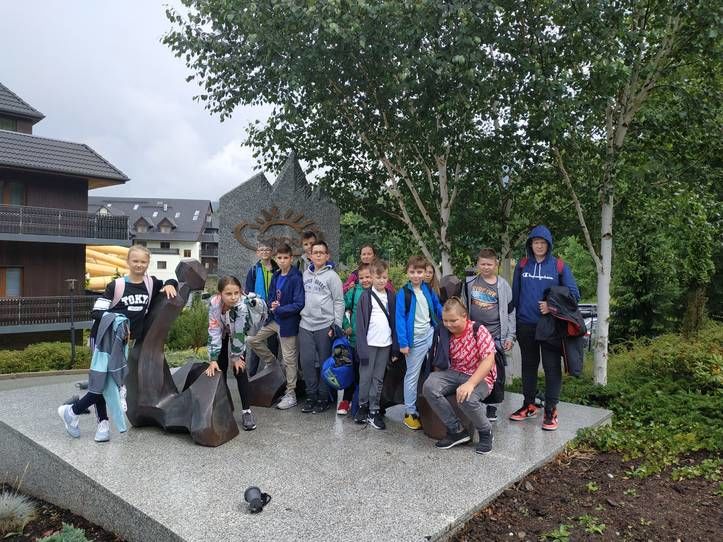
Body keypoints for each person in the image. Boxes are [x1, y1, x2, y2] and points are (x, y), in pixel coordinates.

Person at [57, 245, 177, 442]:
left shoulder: (151, 284)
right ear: (128, 262)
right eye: (135, 261)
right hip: (104, 338)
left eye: (143, 261)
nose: (139, 265)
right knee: (103, 381)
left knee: (107, 382)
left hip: (121, 343)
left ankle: (73, 412)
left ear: (148, 263)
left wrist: (171, 283)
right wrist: (119, 320)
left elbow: (169, 283)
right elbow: (96, 312)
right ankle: (99, 422)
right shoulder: (117, 286)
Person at [510, 225, 579, 431]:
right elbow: (514, 297)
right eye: (535, 242)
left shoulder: (559, 266)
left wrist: (551, 306)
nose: (539, 246)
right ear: (530, 245)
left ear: (548, 245)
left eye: (542, 243)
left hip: (550, 326)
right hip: (525, 324)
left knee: (551, 367)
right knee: (528, 366)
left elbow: (574, 295)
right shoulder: (522, 265)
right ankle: (529, 405)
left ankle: (550, 410)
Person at [422, 298, 497, 454]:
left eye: (453, 320)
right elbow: (439, 359)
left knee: (467, 398)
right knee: (429, 386)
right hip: (454, 372)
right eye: (445, 320)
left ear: (464, 316)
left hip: (480, 376)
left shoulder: (478, 330)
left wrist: (470, 384)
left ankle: (485, 431)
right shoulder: (443, 332)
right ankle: (457, 430)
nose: (448, 324)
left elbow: (488, 361)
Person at [246, 243, 305, 410]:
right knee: (252, 340)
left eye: (286, 257)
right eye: (279, 258)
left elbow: (299, 303)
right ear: (276, 258)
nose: (282, 260)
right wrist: (272, 305)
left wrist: (281, 309)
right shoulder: (277, 274)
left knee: (290, 360)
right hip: (274, 320)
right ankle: (272, 362)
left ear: (291, 258)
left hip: (288, 323)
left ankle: (291, 393)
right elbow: (272, 295)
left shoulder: (296, 277)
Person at [461, 248, 515, 421]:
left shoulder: (503, 285)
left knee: (495, 372)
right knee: (474, 369)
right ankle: (476, 402)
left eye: (489, 264)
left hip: (495, 335)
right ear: (478, 264)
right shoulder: (470, 283)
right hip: (474, 335)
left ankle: (492, 406)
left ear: (496, 264)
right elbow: (463, 306)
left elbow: (511, 311)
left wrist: (510, 336)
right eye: (482, 264)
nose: (486, 267)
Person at [205, 275, 264, 431]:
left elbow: (238, 334)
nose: (233, 297)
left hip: (239, 330)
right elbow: (214, 330)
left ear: (240, 292)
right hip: (223, 328)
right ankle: (224, 404)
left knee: (239, 369)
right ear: (220, 294)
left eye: (236, 293)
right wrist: (213, 358)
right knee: (220, 365)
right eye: (228, 294)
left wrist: (237, 357)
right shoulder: (214, 304)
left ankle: (246, 411)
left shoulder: (242, 307)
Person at [395, 255, 443, 430]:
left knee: (437, 368)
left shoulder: (427, 289)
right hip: (414, 340)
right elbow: (400, 319)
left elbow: (437, 307)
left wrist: (449, 316)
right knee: (412, 375)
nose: (416, 275)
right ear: (407, 272)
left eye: (419, 272)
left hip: (430, 334)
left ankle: (434, 405)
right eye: (412, 272)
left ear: (425, 273)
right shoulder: (404, 293)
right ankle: (410, 412)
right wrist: (403, 343)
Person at [299, 240, 345, 413]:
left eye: (321, 252)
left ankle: (323, 397)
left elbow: (339, 301)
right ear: (310, 256)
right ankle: (311, 395)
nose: (318, 255)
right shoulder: (305, 274)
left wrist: (336, 324)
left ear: (327, 256)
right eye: (315, 252)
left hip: (325, 325)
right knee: (307, 362)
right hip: (305, 324)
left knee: (326, 363)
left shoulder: (332, 276)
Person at [354, 259, 398, 429]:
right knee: (365, 377)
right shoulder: (365, 297)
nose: (381, 280)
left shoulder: (391, 296)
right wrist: (362, 349)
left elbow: (394, 322)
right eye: (378, 277)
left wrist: (395, 348)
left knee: (378, 378)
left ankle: (374, 409)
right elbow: (360, 326)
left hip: (385, 344)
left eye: (384, 277)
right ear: (372, 277)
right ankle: (362, 406)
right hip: (369, 344)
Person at [337, 263, 372, 416]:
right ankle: (346, 399)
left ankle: (360, 402)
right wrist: (346, 324)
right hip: (354, 340)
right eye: (362, 277)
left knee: (364, 374)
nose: (365, 280)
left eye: (368, 277)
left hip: (371, 342)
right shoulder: (354, 291)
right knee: (351, 371)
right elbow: (341, 307)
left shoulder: (377, 292)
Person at [244, 239, 279, 376]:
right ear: (257, 252)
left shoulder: (278, 269)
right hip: (258, 312)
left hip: (274, 311)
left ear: (272, 252)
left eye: (267, 249)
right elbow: (248, 291)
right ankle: (252, 375)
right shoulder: (253, 270)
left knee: (273, 343)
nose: (264, 252)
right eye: (261, 250)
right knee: (255, 343)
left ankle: (273, 374)